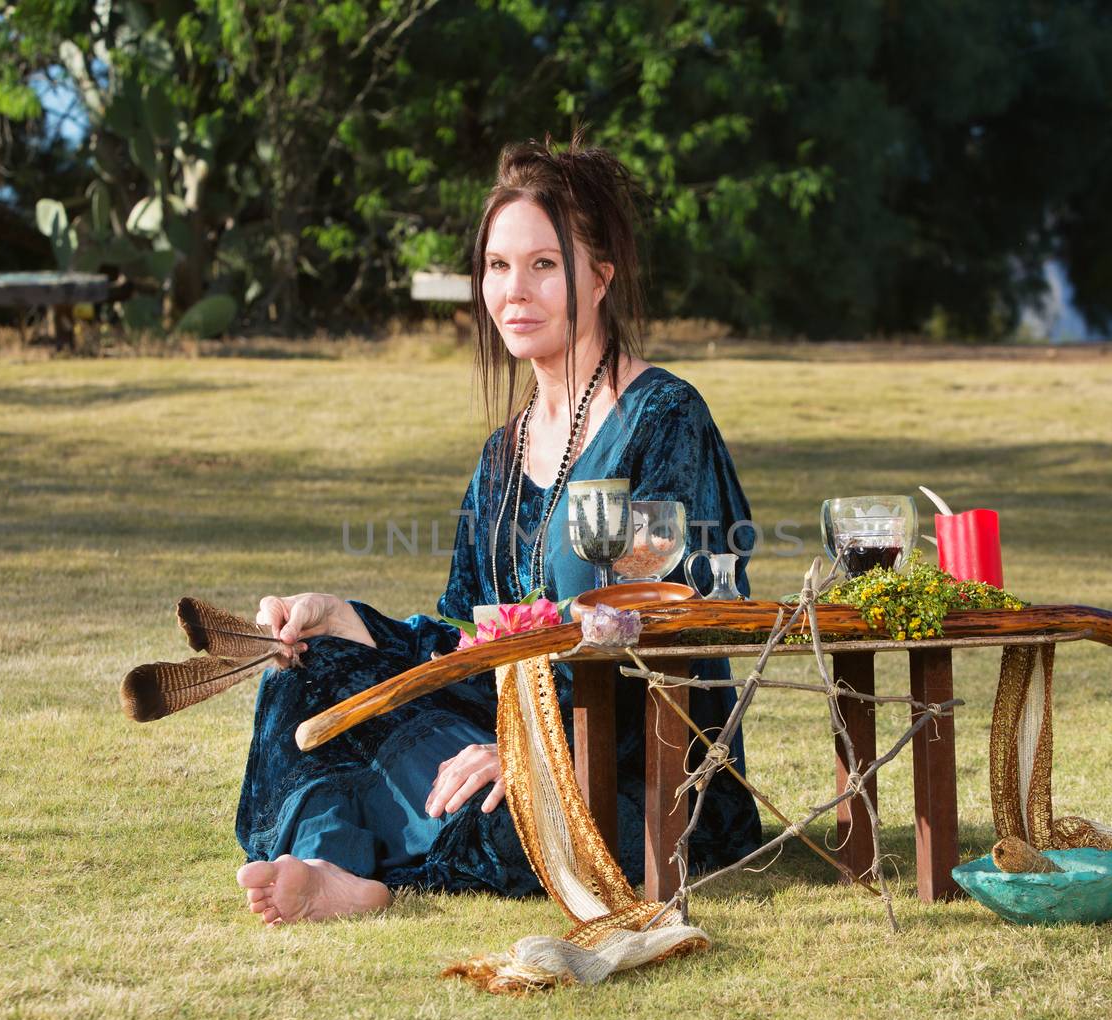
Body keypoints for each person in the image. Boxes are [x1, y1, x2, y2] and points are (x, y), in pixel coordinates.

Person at [236, 136, 763, 925]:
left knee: (506, 819)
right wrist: (346, 619)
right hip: (508, 733)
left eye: (544, 265)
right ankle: (336, 866)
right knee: (302, 672)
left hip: (635, 774)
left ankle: (383, 830)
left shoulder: (663, 419)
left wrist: (534, 760)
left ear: (601, 276)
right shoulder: (502, 456)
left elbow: (688, 624)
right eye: (497, 266)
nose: (514, 291)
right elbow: (465, 639)